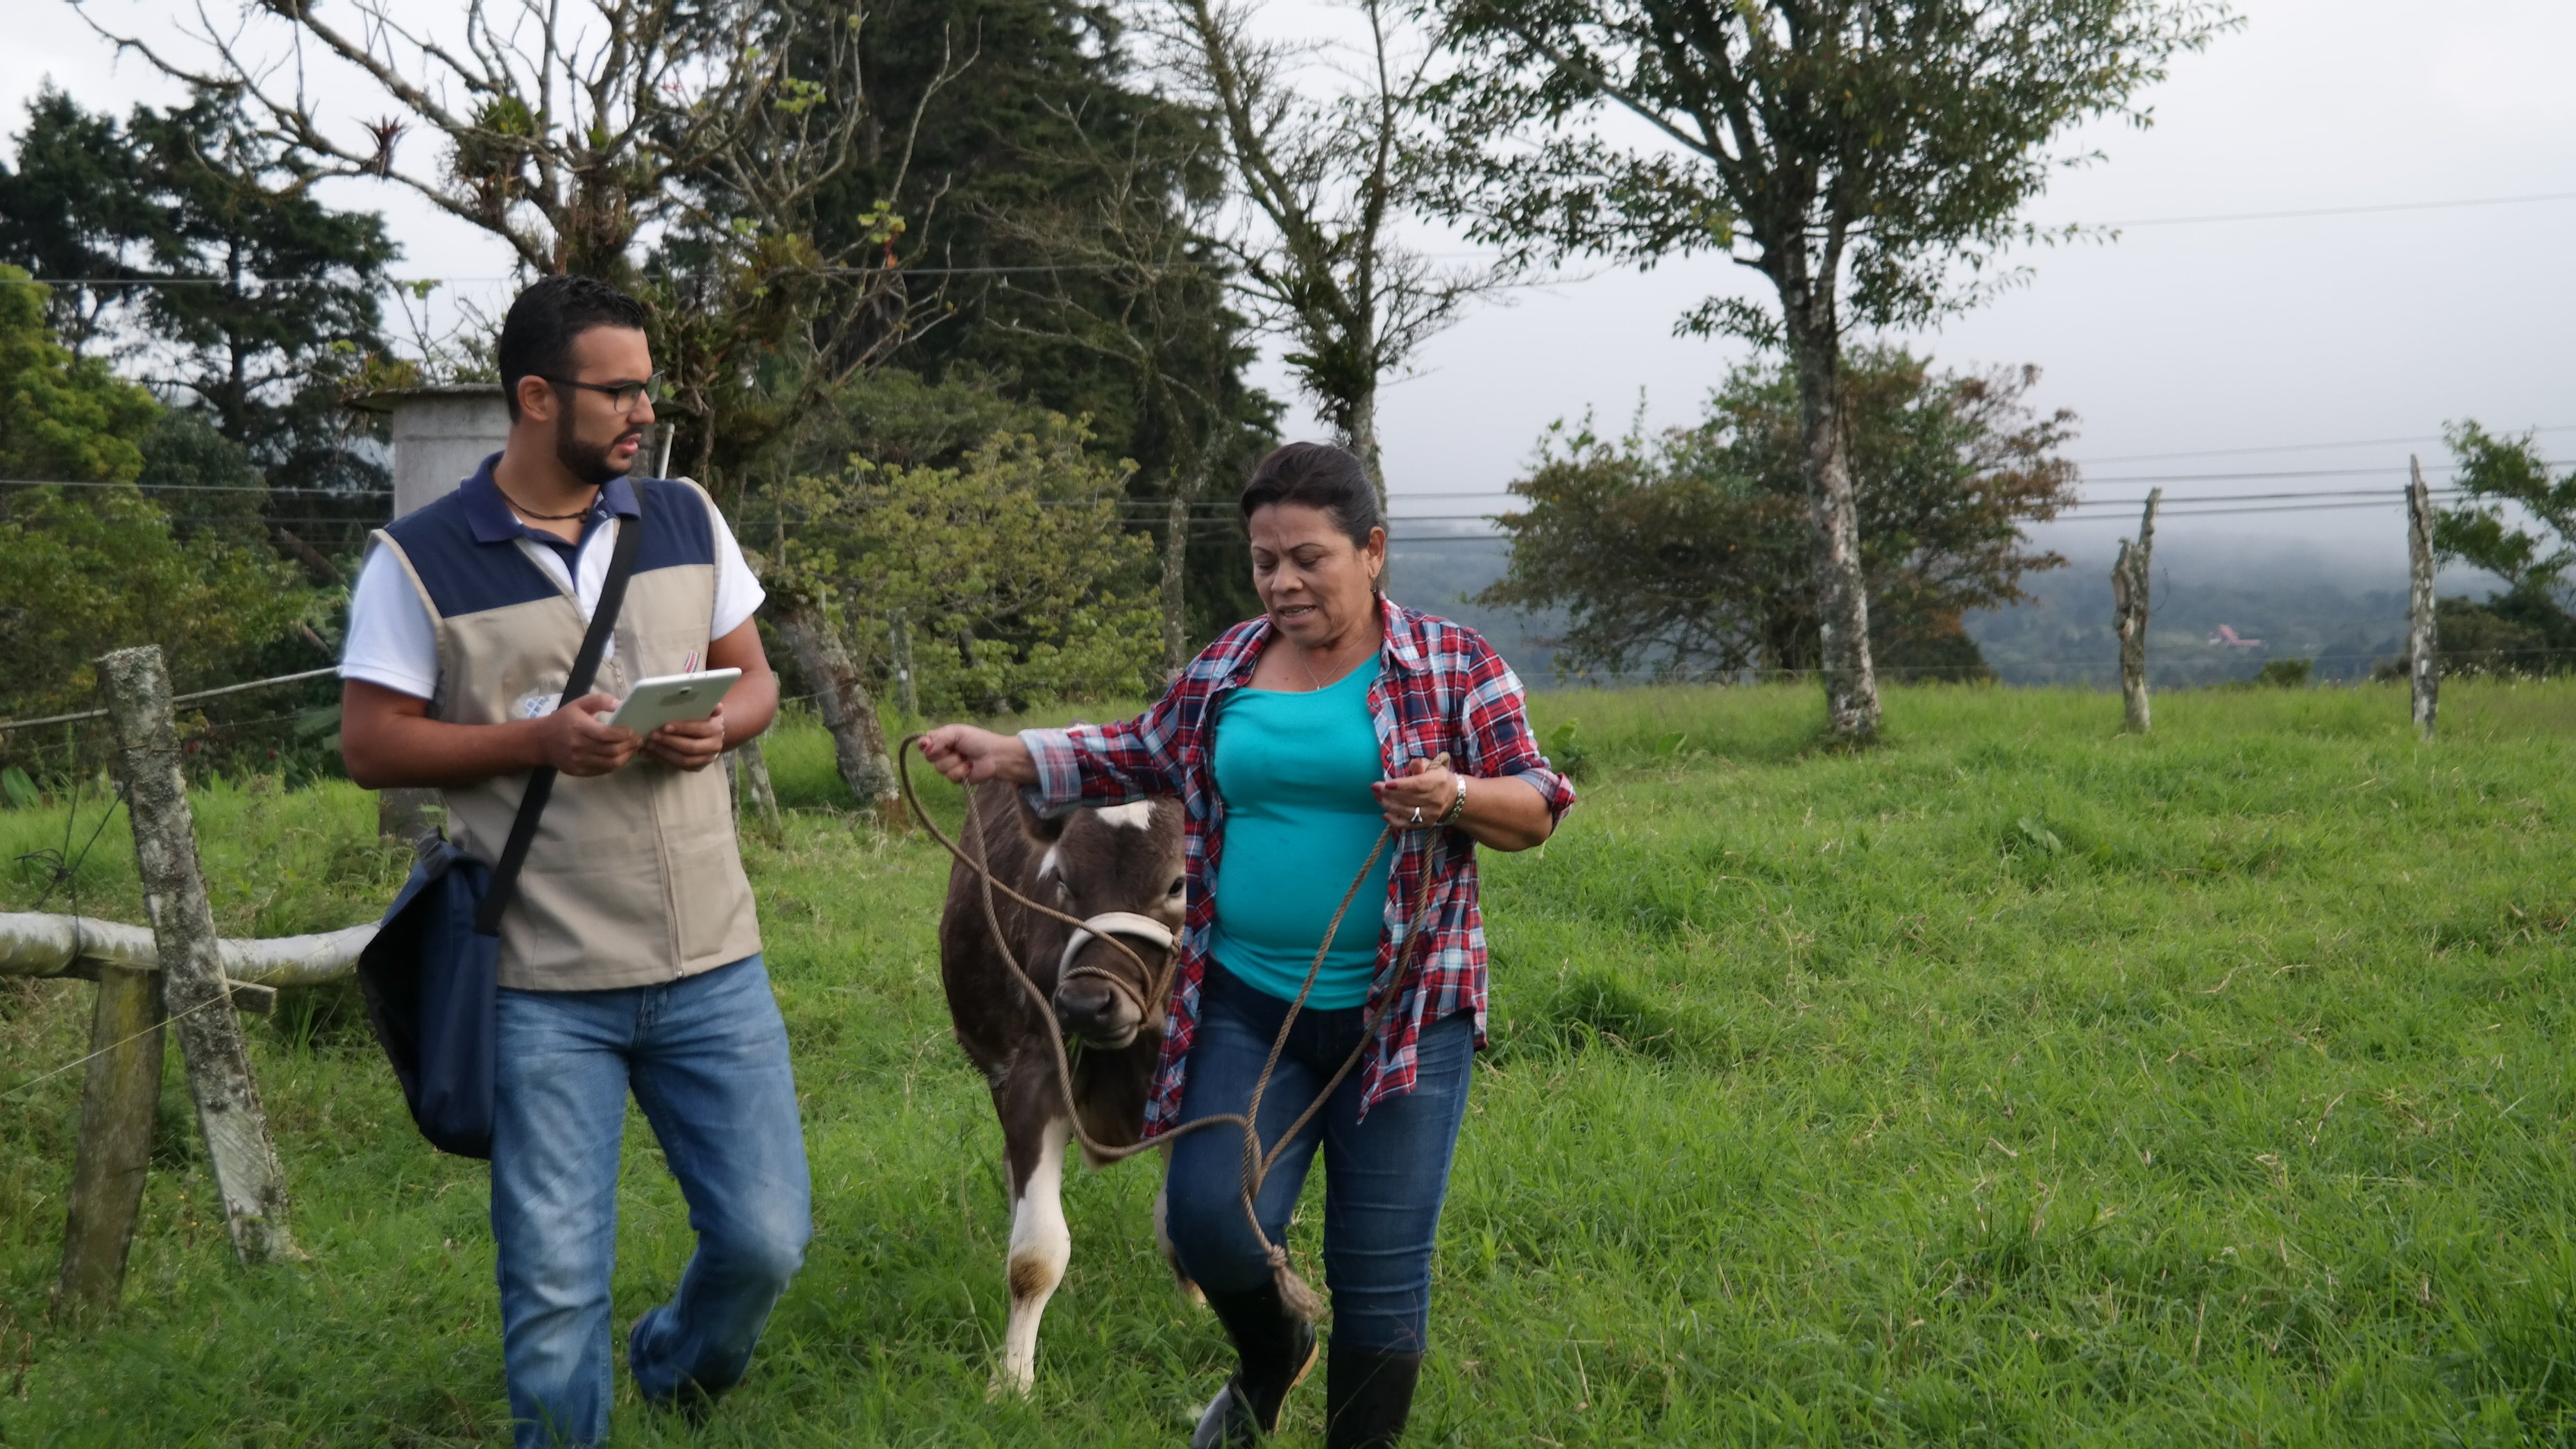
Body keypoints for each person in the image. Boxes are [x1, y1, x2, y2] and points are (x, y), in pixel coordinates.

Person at [923, 441, 1575, 1448]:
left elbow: (1534, 804)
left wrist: (1455, 796)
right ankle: (1273, 1357)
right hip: (1241, 998)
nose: (1283, 581)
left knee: (1380, 1272)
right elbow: (1139, 749)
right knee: (1207, 1223)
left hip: (1402, 1018)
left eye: (1308, 557)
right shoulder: (1229, 665)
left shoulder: (1454, 665)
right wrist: (1007, 752)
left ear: (1372, 552)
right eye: (1266, 559)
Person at [337, 276, 810, 1448]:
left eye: (650, 386)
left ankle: (673, 1365)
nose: (645, 409)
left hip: (713, 959)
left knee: (765, 1240)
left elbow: (756, 679)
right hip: (541, 982)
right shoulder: (419, 559)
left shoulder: (687, 516)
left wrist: (725, 724)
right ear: (539, 397)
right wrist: (535, 740)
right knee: (554, 1290)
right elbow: (370, 744)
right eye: (620, 390)